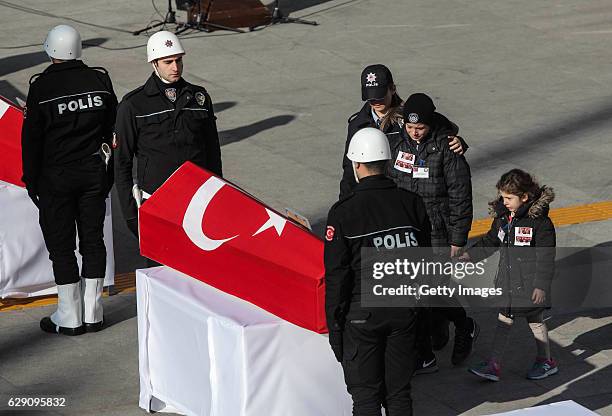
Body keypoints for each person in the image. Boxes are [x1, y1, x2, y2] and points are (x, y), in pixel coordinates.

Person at [325, 127, 432, 415]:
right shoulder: (412, 204)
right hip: (404, 311)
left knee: (366, 397)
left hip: (363, 317)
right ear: (387, 162)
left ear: (356, 165)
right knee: (398, 394)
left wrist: (335, 328)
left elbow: (337, 276)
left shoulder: (344, 212)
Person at [21, 24, 117, 335]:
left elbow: (31, 141)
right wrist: (107, 175)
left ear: (50, 51)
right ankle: (93, 311)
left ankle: (69, 314)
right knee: (92, 241)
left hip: (56, 179)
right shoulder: (100, 81)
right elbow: (112, 133)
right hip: (93, 175)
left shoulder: (41, 88)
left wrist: (31, 181)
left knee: (61, 245)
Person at [386, 92, 478, 371]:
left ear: (431, 124)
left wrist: (458, 239)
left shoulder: (448, 149)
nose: (414, 133)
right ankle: (428, 345)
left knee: (431, 289)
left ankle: (464, 325)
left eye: (420, 128)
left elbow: (461, 196)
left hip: (437, 230)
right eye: (410, 127)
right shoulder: (397, 143)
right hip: (406, 229)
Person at [114, 30, 222, 239]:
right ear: (154, 63)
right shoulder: (133, 105)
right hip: (157, 204)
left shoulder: (198, 97)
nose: (175, 67)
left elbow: (212, 151)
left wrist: (217, 196)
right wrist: (130, 215)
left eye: (179, 60)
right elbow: (122, 163)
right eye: (168, 62)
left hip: (197, 203)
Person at [463, 169, 557, 381]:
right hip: (508, 281)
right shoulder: (504, 218)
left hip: (530, 283)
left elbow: (546, 257)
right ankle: (497, 364)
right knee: (510, 319)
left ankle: (543, 361)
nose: (503, 202)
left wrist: (540, 285)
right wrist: (470, 255)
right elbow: (490, 241)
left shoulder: (539, 223)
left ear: (524, 197)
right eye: (502, 197)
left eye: (508, 198)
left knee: (531, 319)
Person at [339, 64, 466, 199]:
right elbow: (349, 169)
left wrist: (459, 142)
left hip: (400, 195)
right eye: (371, 98)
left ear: (392, 89)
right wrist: (344, 203)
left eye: (380, 96)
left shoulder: (410, 117)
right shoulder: (357, 125)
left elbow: (440, 127)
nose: (376, 101)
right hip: (371, 196)